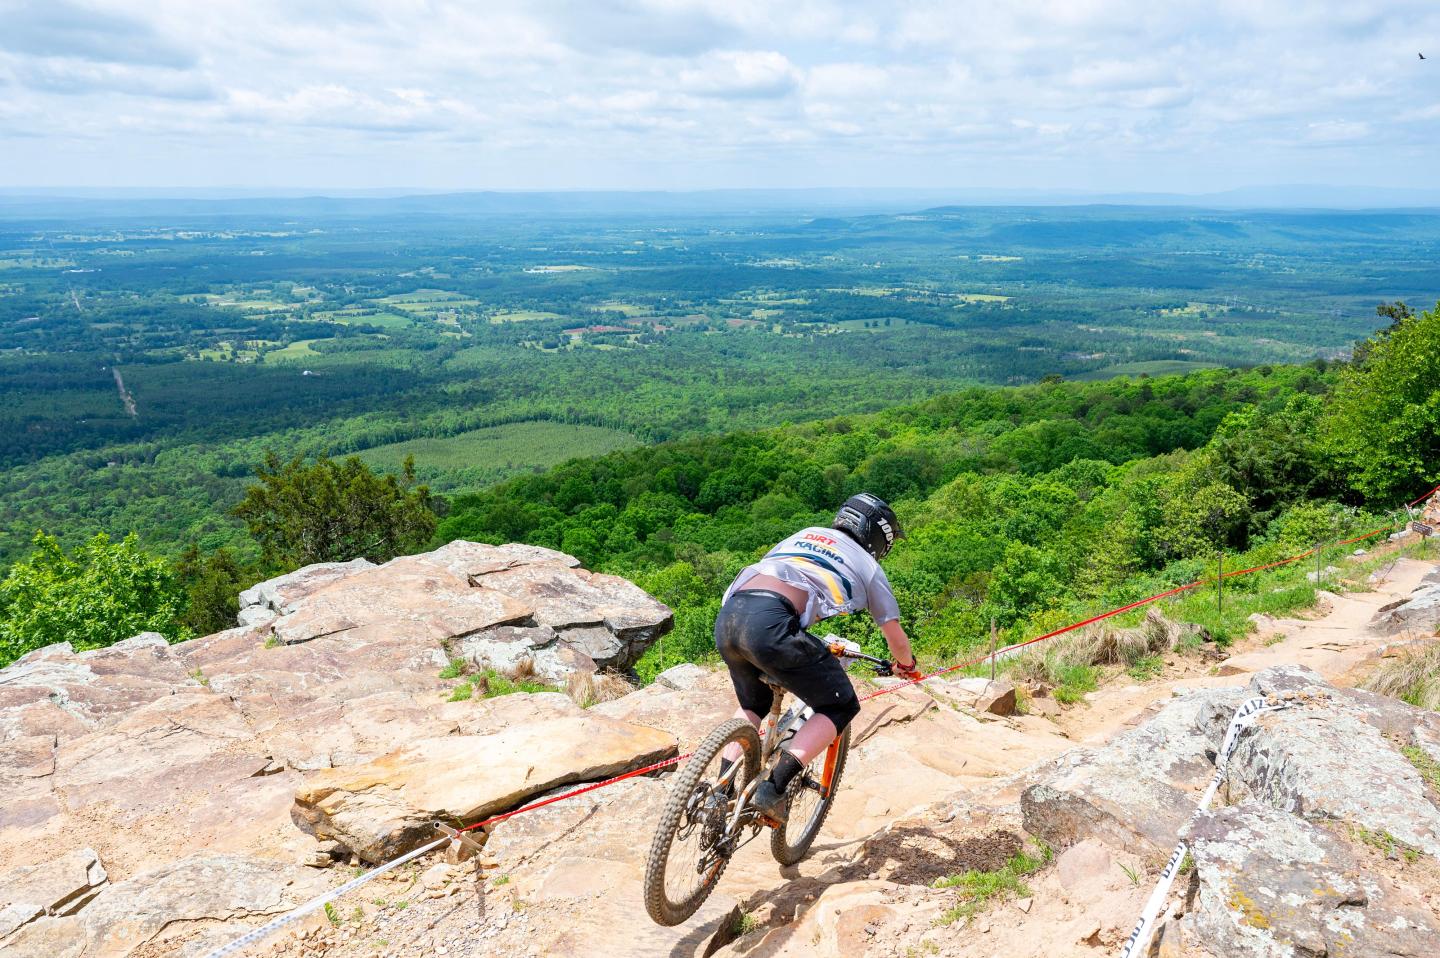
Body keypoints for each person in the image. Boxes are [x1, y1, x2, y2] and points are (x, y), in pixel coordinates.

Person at [714, 492, 920, 822]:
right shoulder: (868, 566)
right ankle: (774, 789)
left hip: (730, 616)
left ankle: (718, 791)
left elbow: (782, 580)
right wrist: (907, 666)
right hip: (773, 625)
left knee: (754, 704)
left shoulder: (804, 534)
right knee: (840, 704)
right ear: (878, 537)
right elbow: (893, 634)